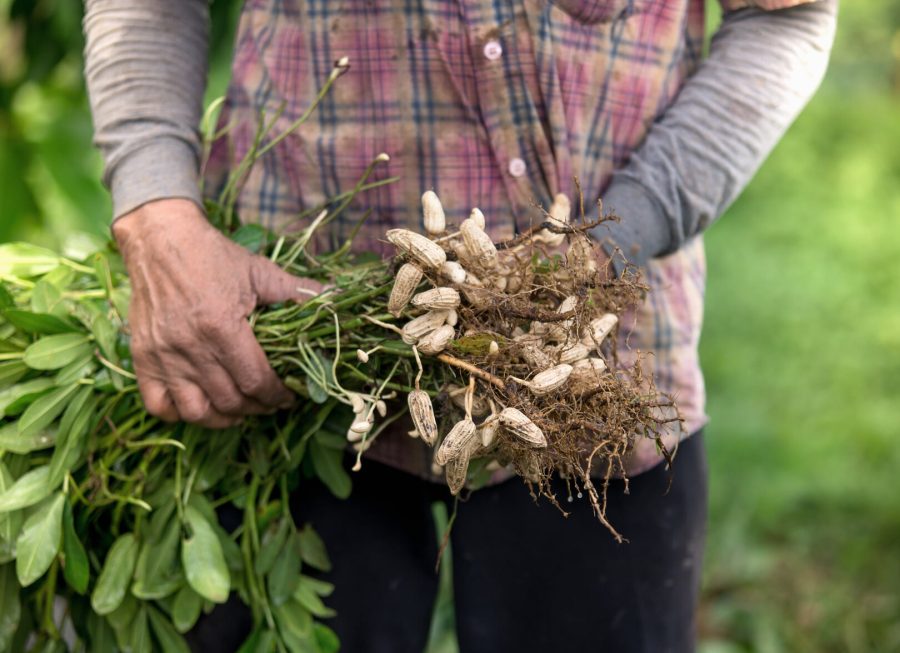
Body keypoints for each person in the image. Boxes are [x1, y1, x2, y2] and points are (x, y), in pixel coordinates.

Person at [82, 1, 836, 651]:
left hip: (596, 370)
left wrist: (610, 243)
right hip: (288, 352)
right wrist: (158, 215)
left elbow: (788, 16)